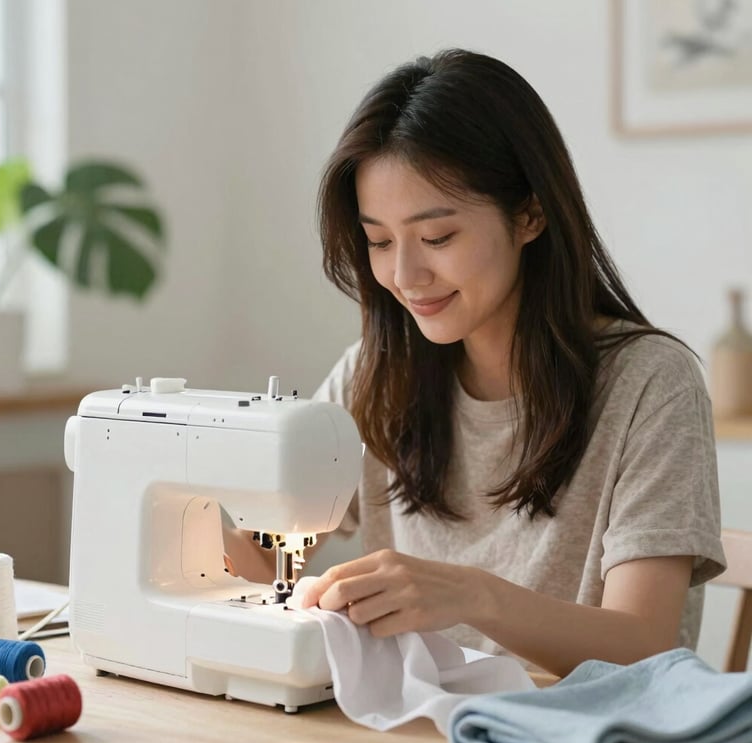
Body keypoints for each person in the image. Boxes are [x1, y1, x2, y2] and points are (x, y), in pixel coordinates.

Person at [228, 48, 725, 677]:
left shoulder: (650, 384)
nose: (404, 276)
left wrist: (469, 595)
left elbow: (645, 644)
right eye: (380, 241)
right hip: (418, 724)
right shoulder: (374, 375)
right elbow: (263, 555)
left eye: (437, 237)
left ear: (530, 214)